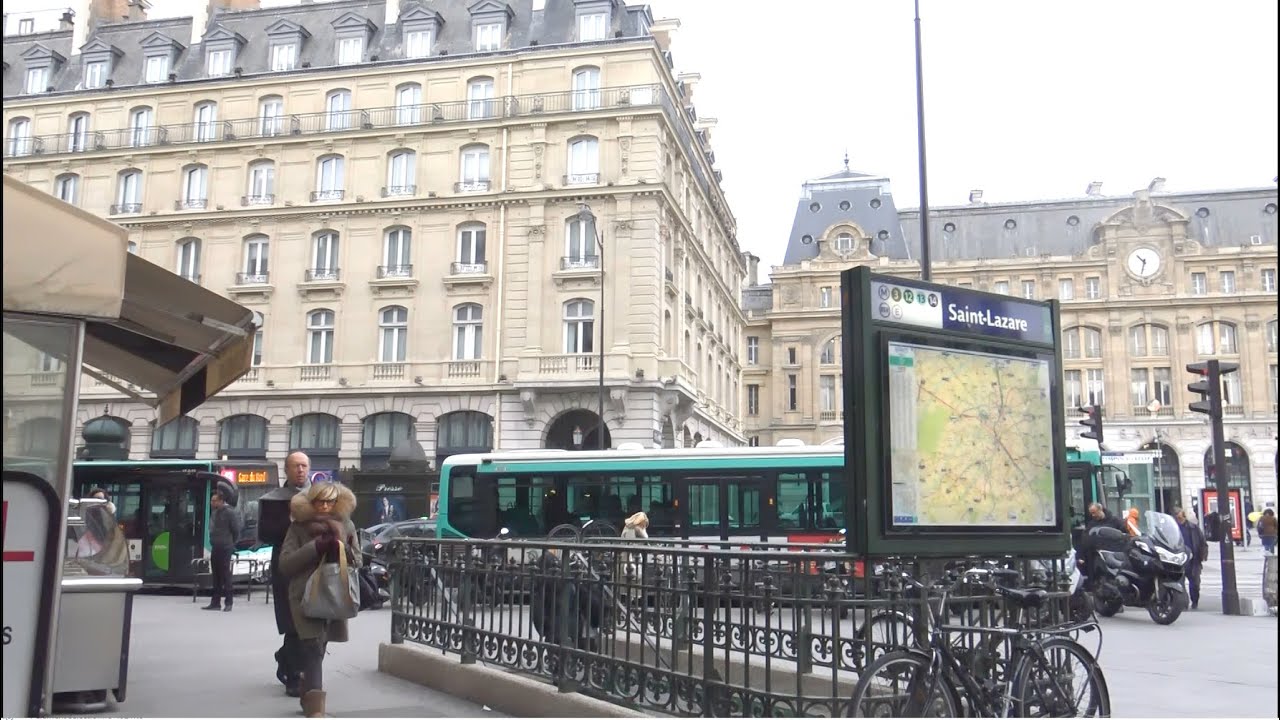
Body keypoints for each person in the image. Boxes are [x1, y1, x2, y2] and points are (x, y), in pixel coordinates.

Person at [278, 482, 361, 718]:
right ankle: (316, 710)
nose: (325, 506)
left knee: (320, 646)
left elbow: (359, 560)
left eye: (330, 501)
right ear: (311, 503)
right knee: (313, 646)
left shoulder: (347, 525)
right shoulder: (298, 528)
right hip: (304, 596)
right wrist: (315, 547)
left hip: (335, 594)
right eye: (319, 501)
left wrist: (341, 550)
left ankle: (307, 687)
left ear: (338, 503)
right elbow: (285, 565)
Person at [260, 451, 312, 697]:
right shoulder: (274, 499)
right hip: (286, 566)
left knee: (312, 623)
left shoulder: (321, 496)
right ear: (287, 470)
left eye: (304, 466)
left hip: (314, 566)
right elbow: (266, 534)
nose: (300, 470)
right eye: (295, 466)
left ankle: (288, 661)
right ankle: (295, 676)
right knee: (293, 624)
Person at [203, 485, 242, 612]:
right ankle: (215, 602)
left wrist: (231, 543)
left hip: (225, 547)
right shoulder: (214, 512)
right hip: (216, 546)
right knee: (216, 575)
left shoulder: (230, 512)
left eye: (214, 501)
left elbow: (236, 530)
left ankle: (228, 602)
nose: (212, 503)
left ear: (221, 501)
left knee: (225, 574)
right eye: (212, 500)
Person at [1174, 508, 1209, 610]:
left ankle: (1194, 601)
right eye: (1177, 517)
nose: (1178, 518)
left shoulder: (1193, 528)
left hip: (1193, 560)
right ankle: (1184, 603)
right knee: (1179, 583)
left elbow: (1202, 542)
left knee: (1195, 583)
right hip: (1178, 559)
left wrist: (1203, 555)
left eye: (1180, 516)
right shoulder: (1174, 528)